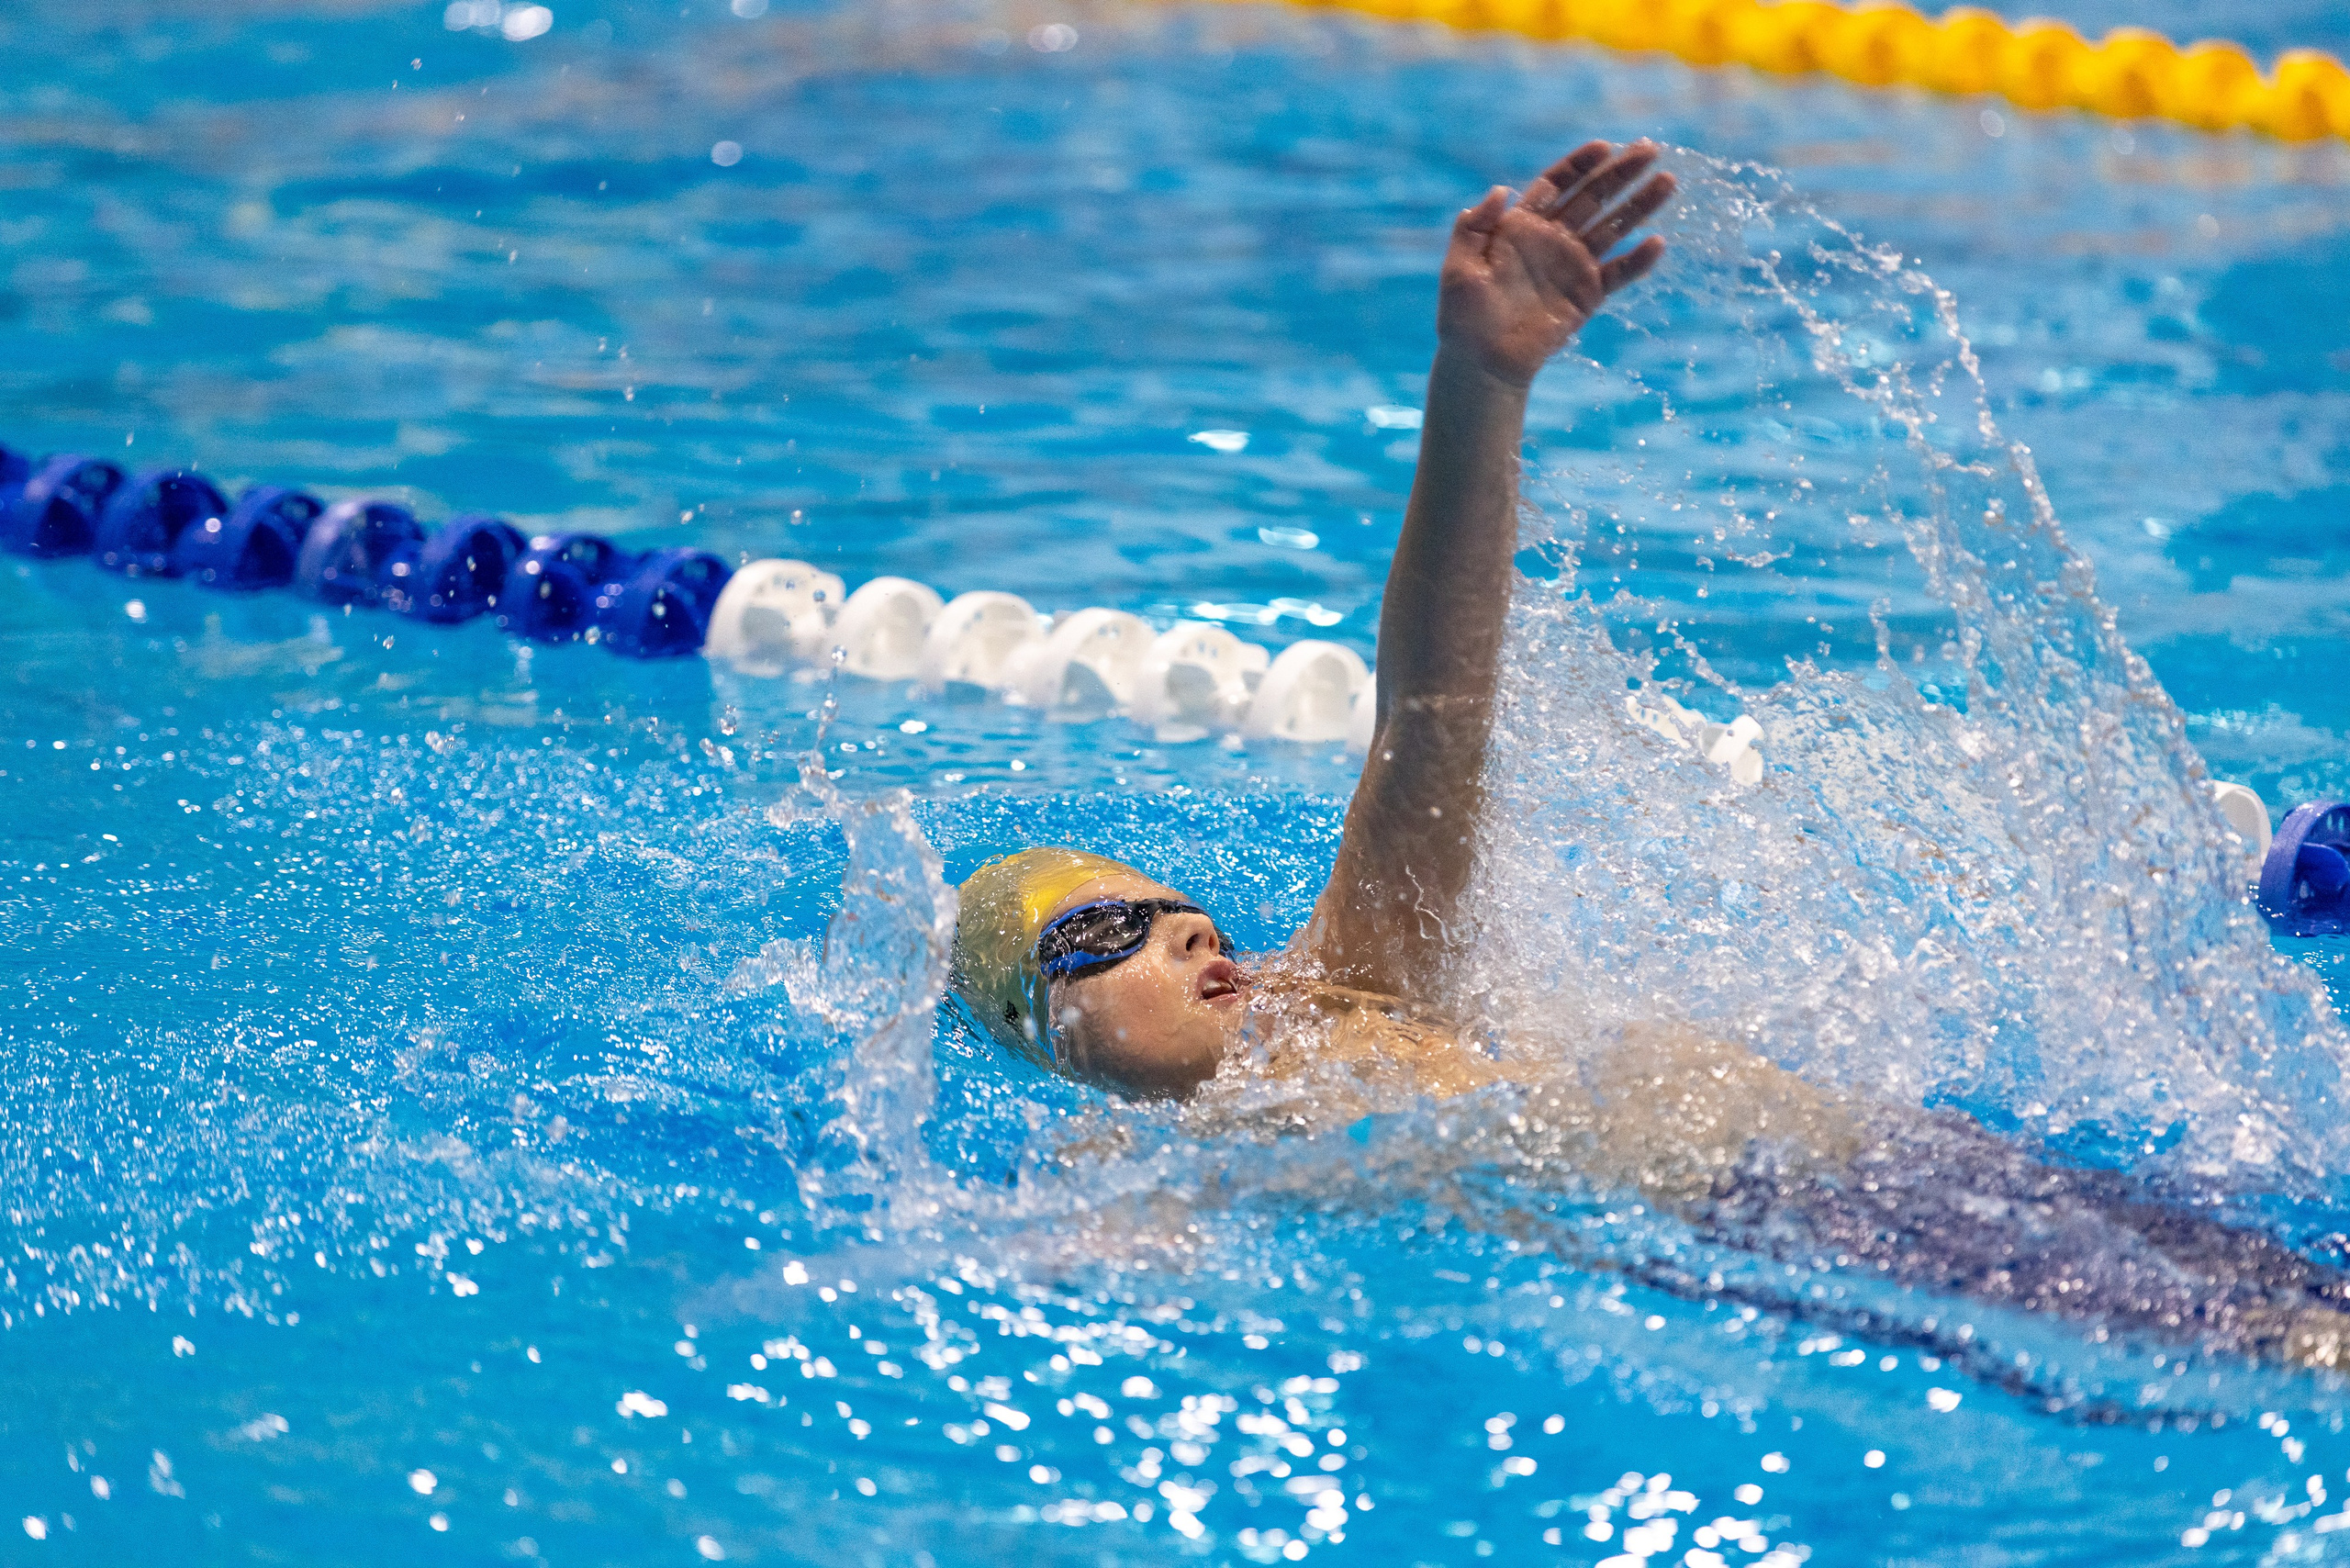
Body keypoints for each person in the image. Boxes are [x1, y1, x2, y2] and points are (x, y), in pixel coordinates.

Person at [941, 142, 2350, 1372]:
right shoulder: (1140, 1162)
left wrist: (1480, 381)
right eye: (1107, 929)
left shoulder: (1356, 977)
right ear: (1037, 1028)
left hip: (1865, 1177)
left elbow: (1437, 706)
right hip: (1775, 1245)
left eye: (1176, 902)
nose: (1184, 925)